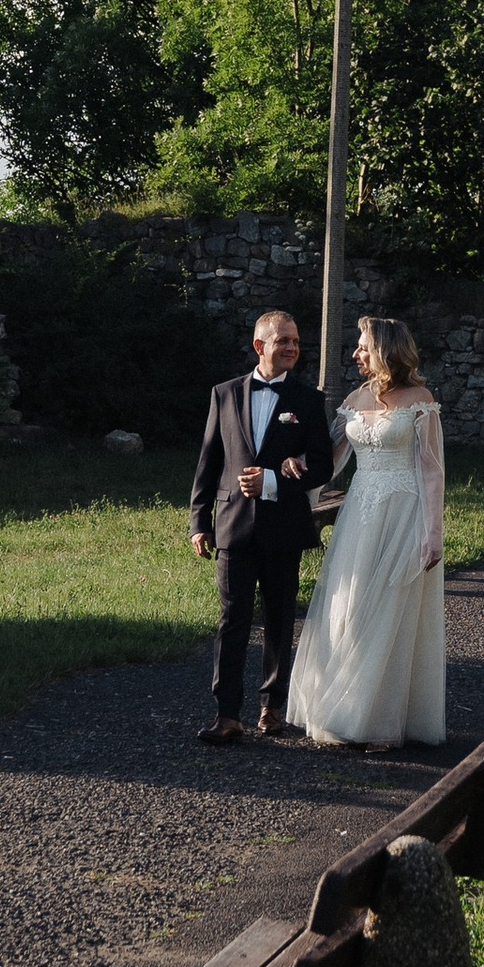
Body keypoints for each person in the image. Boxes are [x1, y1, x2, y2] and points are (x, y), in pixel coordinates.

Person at [287, 314, 446, 750]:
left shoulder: (420, 399)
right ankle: (344, 709)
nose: (356, 353)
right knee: (351, 605)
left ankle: (379, 721)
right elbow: (333, 458)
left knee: (389, 609)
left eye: (362, 346)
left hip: (403, 511)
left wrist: (432, 532)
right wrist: (301, 475)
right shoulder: (355, 399)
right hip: (359, 512)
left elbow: (431, 471)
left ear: (385, 350)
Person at [189, 307, 337, 747]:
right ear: (260, 346)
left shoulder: (308, 400)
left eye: (295, 341)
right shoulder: (225, 393)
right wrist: (199, 521)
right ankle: (227, 714)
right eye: (283, 341)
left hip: (284, 524)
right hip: (233, 524)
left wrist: (275, 477)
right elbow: (209, 461)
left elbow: (323, 466)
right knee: (232, 619)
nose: (292, 347)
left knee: (278, 618)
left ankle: (271, 706)